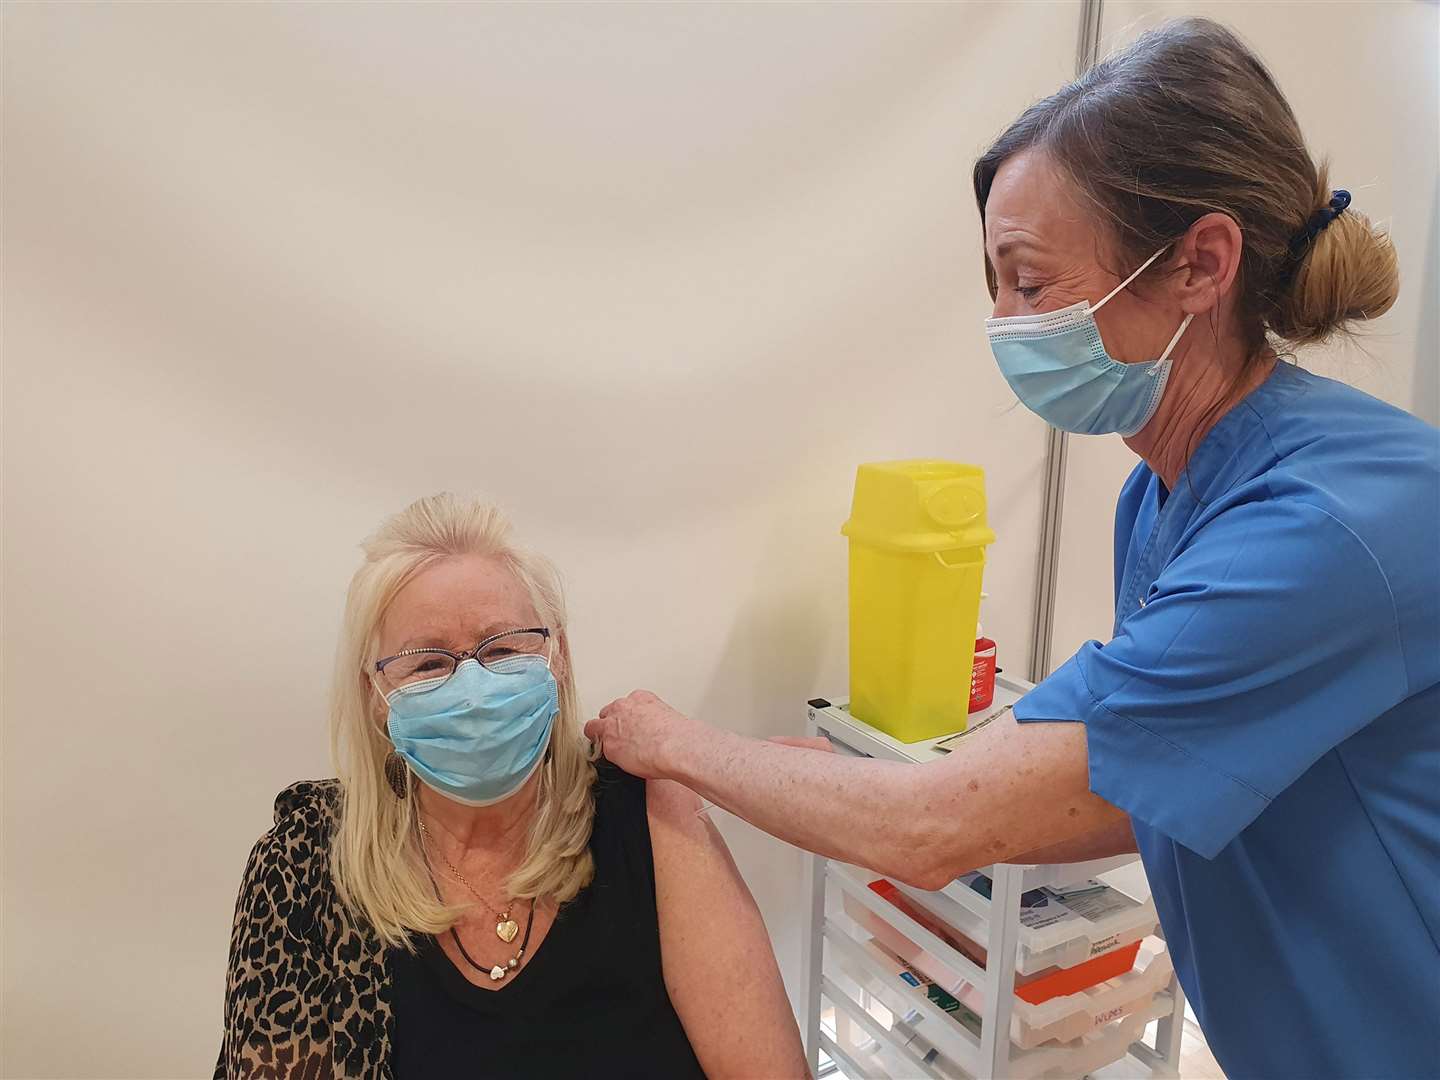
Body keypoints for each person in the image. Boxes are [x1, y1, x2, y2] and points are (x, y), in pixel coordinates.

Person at [586, 18, 1439, 1079]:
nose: (1003, 323)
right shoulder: (1161, 499)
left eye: (1029, 285)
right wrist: (825, 783)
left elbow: (940, 824)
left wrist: (669, 741)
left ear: (1200, 264)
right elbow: (1147, 780)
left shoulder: (1320, 528)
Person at [216, 494, 806, 1079]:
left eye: (502, 650)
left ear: (558, 659)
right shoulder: (305, 866)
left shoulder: (651, 815)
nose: (471, 690)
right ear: (377, 697)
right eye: (427, 663)